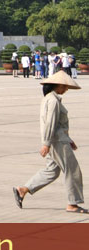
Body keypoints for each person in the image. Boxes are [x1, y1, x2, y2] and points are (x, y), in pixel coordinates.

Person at [13, 71, 88, 213]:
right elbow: (50, 123)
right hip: (57, 142)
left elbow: (57, 125)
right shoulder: (53, 100)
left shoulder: (49, 98)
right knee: (72, 170)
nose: (66, 89)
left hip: (58, 139)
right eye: (65, 86)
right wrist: (46, 143)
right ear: (57, 85)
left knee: (51, 171)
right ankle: (72, 204)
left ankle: (23, 189)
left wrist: (69, 139)